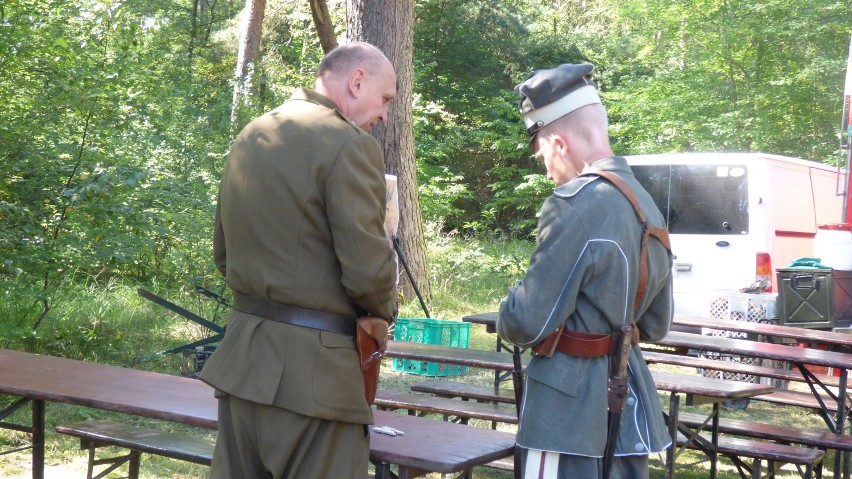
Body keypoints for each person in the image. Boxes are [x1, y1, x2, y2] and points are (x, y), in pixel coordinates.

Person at [199, 42, 399, 479]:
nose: (384, 115)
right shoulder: (350, 146)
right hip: (316, 379)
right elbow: (367, 271)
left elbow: (223, 250)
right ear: (356, 81)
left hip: (244, 361)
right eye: (385, 99)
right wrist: (385, 311)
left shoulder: (254, 133)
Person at [497, 63, 674, 479]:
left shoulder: (574, 203)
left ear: (559, 142)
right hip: (629, 408)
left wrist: (508, 306)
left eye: (542, 154)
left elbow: (527, 320)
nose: (545, 168)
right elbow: (656, 323)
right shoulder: (647, 203)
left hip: (568, 415)